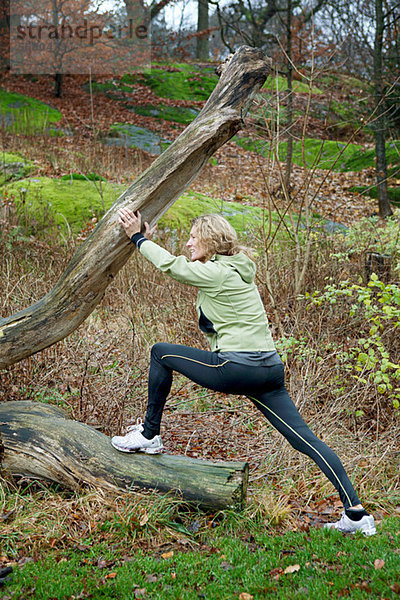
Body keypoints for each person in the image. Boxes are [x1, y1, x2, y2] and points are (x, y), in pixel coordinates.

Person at [112, 207, 377, 536]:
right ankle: (356, 513)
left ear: (210, 240)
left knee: (160, 352)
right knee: (305, 441)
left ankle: (149, 435)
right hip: (269, 370)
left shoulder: (218, 273)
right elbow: (187, 267)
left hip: (236, 367)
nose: (189, 242)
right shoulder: (235, 270)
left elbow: (171, 266)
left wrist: (137, 238)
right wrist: (151, 239)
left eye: (194, 237)